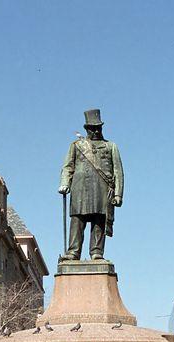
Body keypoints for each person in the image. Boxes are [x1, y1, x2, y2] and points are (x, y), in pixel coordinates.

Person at [58, 108, 124, 262]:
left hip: (102, 190)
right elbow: (68, 166)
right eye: (92, 128)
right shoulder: (76, 145)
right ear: (86, 129)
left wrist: (118, 194)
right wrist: (64, 183)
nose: (95, 131)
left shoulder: (110, 146)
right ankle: (73, 252)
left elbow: (118, 171)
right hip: (80, 188)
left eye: (98, 128)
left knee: (99, 220)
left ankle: (96, 252)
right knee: (77, 220)